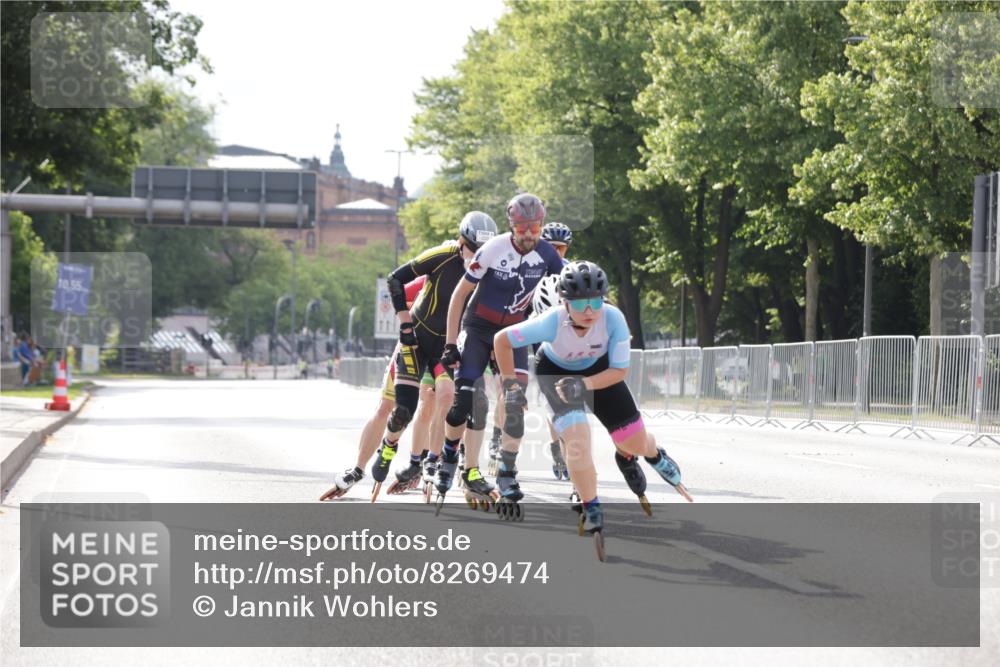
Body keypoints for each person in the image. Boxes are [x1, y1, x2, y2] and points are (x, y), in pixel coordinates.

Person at [493, 261, 692, 539]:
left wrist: (584, 384)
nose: (589, 311)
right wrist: (510, 385)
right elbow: (502, 340)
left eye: (596, 302)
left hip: (601, 373)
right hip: (557, 373)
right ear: (564, 303)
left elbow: (620, 370)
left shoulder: (613, 319)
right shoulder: (551, 322)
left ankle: (651, 454)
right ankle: (591, 506)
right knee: (577, 440)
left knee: (634, 441)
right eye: (580, 303)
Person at [437, 193, 564, 511]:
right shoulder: (493, 249)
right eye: (522, 227)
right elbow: (459, 296)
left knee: (514, 402)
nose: (529, 234)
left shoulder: (548, 255)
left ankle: (507, 472)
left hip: (513, 335)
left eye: (535, 227)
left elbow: (566, 292)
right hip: (479, 329)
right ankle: (451, 453)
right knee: (466, 401)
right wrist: (451, 344)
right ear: (512, 225)